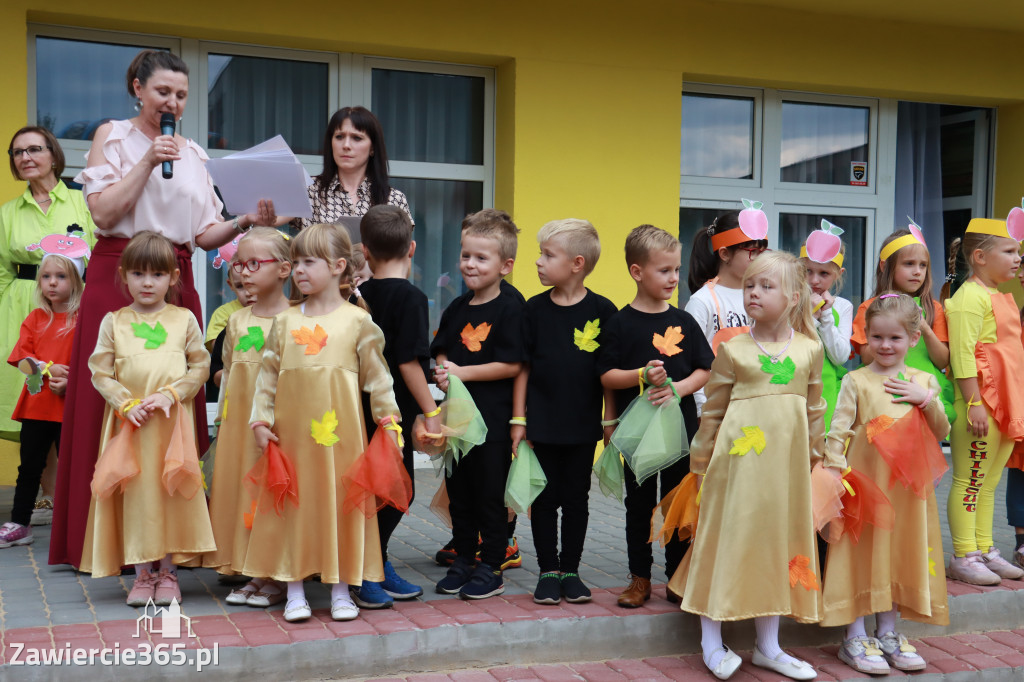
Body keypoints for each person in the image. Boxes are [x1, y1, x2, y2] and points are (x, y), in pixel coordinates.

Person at [51, 49, 276, 569]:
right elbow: (103, 210)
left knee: (174, 403)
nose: (172, 102)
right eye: (162, 92)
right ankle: (104, 539)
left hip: (176, 278)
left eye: (180, 94)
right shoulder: (114, 136)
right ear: (137, 88)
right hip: (119, 273)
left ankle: (169, 539)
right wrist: (149, 160)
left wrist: (242, 222)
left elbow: (201, 234)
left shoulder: (194, 153)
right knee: (115, 399)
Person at [668, 251, 825, 681]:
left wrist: (819, 463)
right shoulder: (734, 350)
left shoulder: (810, 349)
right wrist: (700, 468)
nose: (753, 292)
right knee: (726, 542)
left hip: (785, 475)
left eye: (765, 286)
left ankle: (769, 646)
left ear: (794, 297)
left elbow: (815, 411)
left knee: (776, 545)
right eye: (750, 285)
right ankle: (710, 642)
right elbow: (713, 413)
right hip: (735, 471)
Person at [246, 223, 402, 623]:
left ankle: (339, 587)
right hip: (291, 437)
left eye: (308, 262)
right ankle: (294, 586)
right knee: (293, 505)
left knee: (340, 506)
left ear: (337, 266)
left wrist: (389, 424)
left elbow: (379, 379)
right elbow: (266, 378)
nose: (298, 270)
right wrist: (260, 421)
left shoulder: (357, 322)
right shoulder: (284, 321)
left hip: (341, 438)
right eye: (294, 261)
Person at [80, 232, 213, 606]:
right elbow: (100, 372)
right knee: (136, 493)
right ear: (124, 276)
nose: (147, 282)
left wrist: (172, 394)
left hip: (171, 427)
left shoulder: (183, 319)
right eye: (138, 274)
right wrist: (124, 403)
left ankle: (168, 572)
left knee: (168, 492)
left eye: (157, 274)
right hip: (131, 426)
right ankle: (141, 574)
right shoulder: (114, 322)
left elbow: (200, 366)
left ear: (173, 277)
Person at [822, 293, 950, 675]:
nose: (885, 346)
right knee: (861, 551)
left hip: (907, 491)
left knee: (896, 551)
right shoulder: (856, 380)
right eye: (876, 337)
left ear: (913, 339)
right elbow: (838, 431)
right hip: (863, 485)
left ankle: (889, 632)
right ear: (866, 337)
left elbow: (941, 430)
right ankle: (855, 634)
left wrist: (926, 400)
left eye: (895, 338)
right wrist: (832, 473)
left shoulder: (924, 381)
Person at [598, 224, 713, 608]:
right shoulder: (619, 322)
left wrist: (679, 388)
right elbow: (606, 376)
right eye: (664, 270)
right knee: (639, 504)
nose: (674, 278)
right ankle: (639, 577)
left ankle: (677, 576)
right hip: (638, 434)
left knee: (677, 501)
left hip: (681, 431)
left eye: (676, 270)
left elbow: (706, 369)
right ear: (637, 272)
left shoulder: (684, 320)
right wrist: (640, 376)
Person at [512, 219, 618, 605]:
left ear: (576, 263)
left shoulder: (604, 310)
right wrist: (519, 419)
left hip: (582, 425)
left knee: (576, 499)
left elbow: (607, 374)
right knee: (544, 498)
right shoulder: (534, 310)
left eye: (547, 255)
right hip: (541, 423)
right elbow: (523, 367)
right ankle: (547, 571)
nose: (538, 262)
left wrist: (610, 422)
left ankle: (570, 570)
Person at [431, 209, 524, 600]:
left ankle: (491, 565)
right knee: (461, 492)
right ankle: (464, 557)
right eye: (466, 255)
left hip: (495, 423)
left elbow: (514, 363)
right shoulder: (457, 307)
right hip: (459, 423)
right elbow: (439, 351)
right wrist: (441, 370)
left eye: (481, 258)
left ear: (505, 265)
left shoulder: (511, 308)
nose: (470, 264)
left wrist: (464, 374)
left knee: (490, 495)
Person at [355, 205, 439, 605]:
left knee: (374, 489)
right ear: (413, 248)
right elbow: (408, 361)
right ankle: (366, 569)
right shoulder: (412, 297)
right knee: (394, 490)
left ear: (365, 251)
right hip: (393, 414)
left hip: (358, 408)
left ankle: (377, 561)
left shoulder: (358, 295)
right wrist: (432, 411)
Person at [204, 228, 291, 607]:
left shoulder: (294, 320)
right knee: (242, 492)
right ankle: (250, 568)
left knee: (271, 496)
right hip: (239, 426)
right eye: (240, 264)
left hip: (274, 428)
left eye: (255, 263)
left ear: (285, 269)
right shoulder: (236, 322)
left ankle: (275, 573)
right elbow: (227, 374)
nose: (246, 272)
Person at [943, 217, 1024, 584]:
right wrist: (973, 403)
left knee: (988, 483)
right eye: (1009, 251)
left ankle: (986, 548)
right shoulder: (968, 299)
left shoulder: (995, 295)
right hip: (980, 404)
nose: (1017, 258)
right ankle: (964, 554)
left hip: (1004, 401)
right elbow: (961, 355)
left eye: (1018, 251)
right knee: (969, 481)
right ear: (979, 256)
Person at [0, 126, 95, 439]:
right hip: (21, 306)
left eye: (34, 149)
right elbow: (1, 270)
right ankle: (48, 489)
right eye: (18, 152)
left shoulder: (82, 203)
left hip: (73, 309)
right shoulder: (8, 213)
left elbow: (98, 258)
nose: (25, 157)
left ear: (53, 155)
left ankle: (64, 488)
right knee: (32, 396)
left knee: (67, 391)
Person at [0, 253, 83, 548]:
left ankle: (79, 526)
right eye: (46, 277)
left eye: (61, 277)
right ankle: (20, 523)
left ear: (76, 281)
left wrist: (70, 380)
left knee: (75, 467)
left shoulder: (83, 319)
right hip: (37, 406)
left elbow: (93, 361)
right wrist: (48, 369)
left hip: (69, 407)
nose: (52, 283)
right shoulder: (35, 318)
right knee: (29, 466)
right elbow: (20, 359)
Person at [851, 226, 954, 424]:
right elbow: (865, 356)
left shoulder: (933, 308)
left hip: (923, 392)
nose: (917, 272)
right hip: (883, 392)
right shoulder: (870, 307)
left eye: (923, 265)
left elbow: (942, 361)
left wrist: (922, 326)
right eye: (909, 264)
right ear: (885, 266)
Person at [685, 207, 767, 415]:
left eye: (762, 251)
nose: (759, 259)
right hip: (715, 412)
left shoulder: (763, 297)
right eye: (752, 252)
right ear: (724, 254)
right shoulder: (702, 302)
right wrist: (702, 412)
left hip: (756, 407)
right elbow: (693, 363)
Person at [302, 107, 413, 228]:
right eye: (339, 137)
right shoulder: (310, 189)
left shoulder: (394, 199)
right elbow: (277, 219)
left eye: (357, 138)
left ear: (372, 148)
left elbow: (402, 245)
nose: (346, 145)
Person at [799, 222, 853, 430]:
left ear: (839, 273)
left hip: (827, 391)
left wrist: (827, 316)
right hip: (793, 388)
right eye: (808, 271)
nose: (814, 280)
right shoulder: (790, 303)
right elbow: (795, 349)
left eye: (824, 273)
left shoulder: (842, 307)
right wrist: (811, 316)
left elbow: (840, 357)